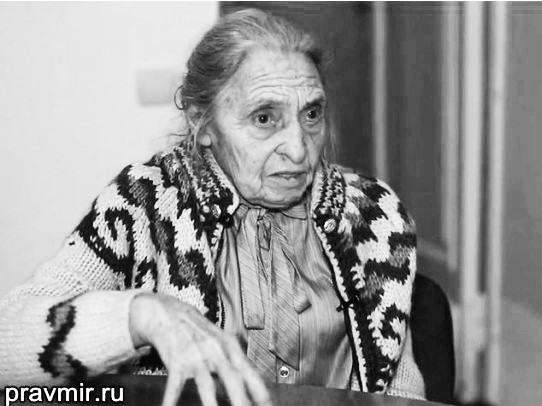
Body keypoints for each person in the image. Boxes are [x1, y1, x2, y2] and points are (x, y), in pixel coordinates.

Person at [0, 8, 423, 406]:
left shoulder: (373, 215)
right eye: (264, 118)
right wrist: (138, 314)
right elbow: (7, 345)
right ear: (202, 124)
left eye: (311, 114)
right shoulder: (146, 203)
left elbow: (400, 387)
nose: (298, 150)